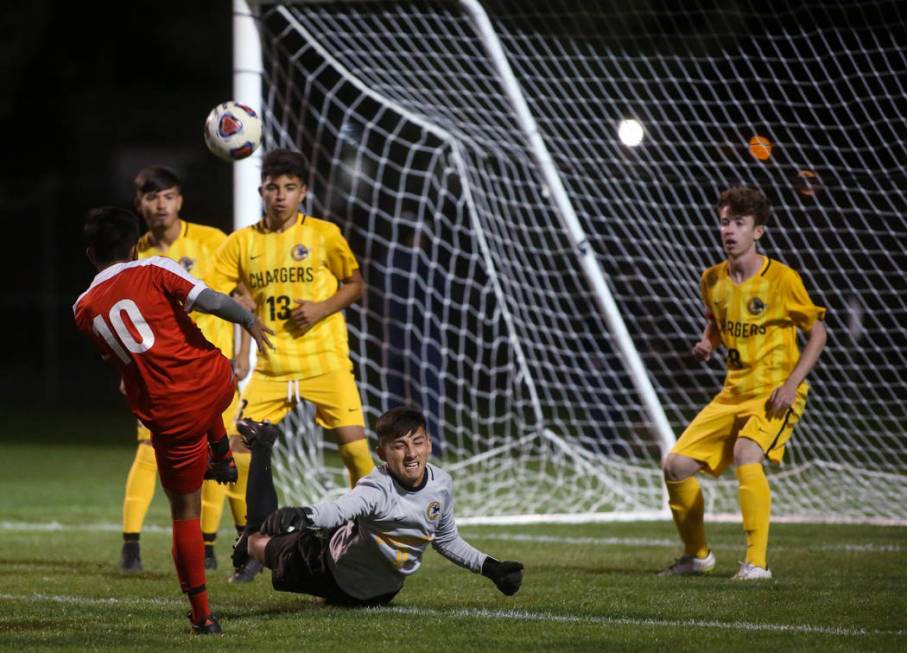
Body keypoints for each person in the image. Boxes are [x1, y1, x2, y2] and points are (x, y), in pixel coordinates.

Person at [73, 207, 275, 633]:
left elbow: (121, 360)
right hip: (217, 383)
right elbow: (216, 302)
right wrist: (250, 321)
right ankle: (221, 453)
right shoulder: (154, 268)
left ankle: (202, 617)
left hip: (172, 419)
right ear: (133, 244)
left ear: (91, 253)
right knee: (202, 390)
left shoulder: (83, 308)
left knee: (185, 513)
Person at [210, 148, 376, 581]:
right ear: (261, 189)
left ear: (303, 192)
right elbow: (213, 289)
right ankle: (252, 546)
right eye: (272, 188)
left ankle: (371, 537)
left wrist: (322, 308)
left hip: (325, 361)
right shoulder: (242, 242)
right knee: (240, 450)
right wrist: (241, 301)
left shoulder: (324, 234)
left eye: (289, 188)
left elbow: (354, 284)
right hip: (271, 366)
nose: (280, 196)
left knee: (356, 448)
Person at [660, 186, 827, 580]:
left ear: (758, 232)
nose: (729, 230)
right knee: (675, 465)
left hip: (775, 392)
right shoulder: (711, 279)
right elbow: (717, 323)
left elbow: (817, 332)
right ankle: (697, 555)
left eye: (740, 223)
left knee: (746, 454)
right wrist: (707, 343)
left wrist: (791, 385)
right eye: (725, 222)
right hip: (732, 392)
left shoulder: (782, 279)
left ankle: (757, 564)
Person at [231, 406, 524, 605]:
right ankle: (262, 445)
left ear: (429, 445)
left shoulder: (441, 483)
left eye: (418, 442)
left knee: (336, 535)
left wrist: (492, 568)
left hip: (382, 591)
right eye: (399, 446)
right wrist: (302, 514)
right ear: (382, 452)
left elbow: (446, 539)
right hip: (327, 568)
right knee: (257, 536)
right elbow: (339, 509)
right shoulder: (376, 488)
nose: (411, 454)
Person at [119, 166, 254, 576]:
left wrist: (244, 352)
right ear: (139, 204)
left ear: (180, 200)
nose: (161, 206)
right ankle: (131, 547)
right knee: (148, 453)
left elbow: (243, 297)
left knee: (224, 451)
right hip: (158, 373)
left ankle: (219, 545)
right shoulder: (134, 251)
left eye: (169, 197)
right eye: (152, 198)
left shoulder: (213, 241)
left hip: (209, 369)